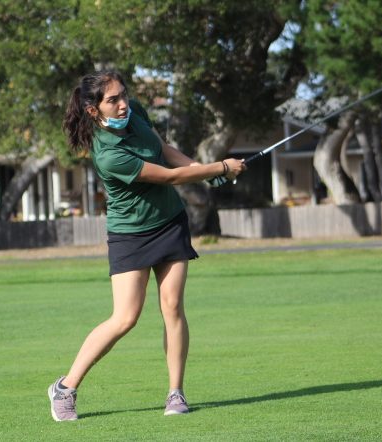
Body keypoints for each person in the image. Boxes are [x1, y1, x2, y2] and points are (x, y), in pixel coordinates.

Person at [48, 71, 246, 421]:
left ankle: (176, 393)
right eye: (113, 100)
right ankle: (65, 388)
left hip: (169, 222)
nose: (123, 103)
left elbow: (164, 150)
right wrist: (220, 166)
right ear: (94, 110)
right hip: (131, 235)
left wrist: (204, 169)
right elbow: (166, 176)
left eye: (123, 95)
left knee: (172, 307)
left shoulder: (134, 110)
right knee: (125, 318)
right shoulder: (108, 154)